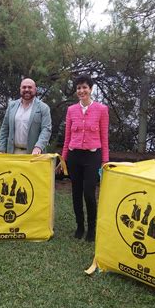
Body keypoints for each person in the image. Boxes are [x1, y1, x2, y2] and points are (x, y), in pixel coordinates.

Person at [61, 74, 109, 242]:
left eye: (84, 87)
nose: (81, 91)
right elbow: (67, 136)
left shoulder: (102, 110)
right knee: (76, 192)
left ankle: (92, 229)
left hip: (92, 156)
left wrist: (105, 160)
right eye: (79, 88)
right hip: (74, 156)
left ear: (90, 89)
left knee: (89, 193)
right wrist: (63, 158)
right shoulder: (71, 110)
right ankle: (80, 226)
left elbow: (104, 137)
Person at [0, 78, 52, 154]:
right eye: (24, 87)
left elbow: (46, 130)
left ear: (35, 89)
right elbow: (4, 128)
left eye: (30, 87)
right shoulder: (11, 106)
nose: (26, 89)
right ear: (20, 89)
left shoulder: (44, 108)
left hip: (34, 155)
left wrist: (38, 147)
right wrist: (1, 149)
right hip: (12, 153)